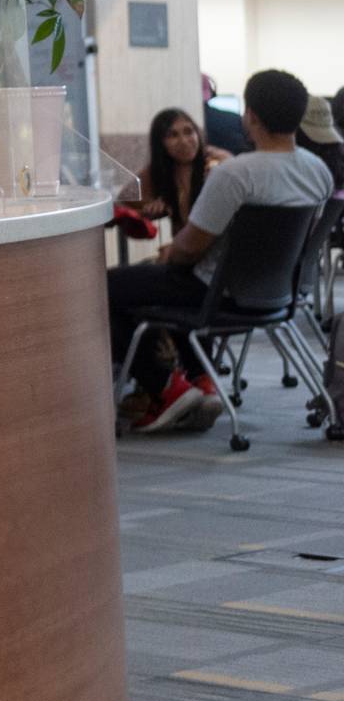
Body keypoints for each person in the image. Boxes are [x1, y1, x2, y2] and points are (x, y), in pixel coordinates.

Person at [108, 69, 331, 434]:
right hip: (276, 296)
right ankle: (196, 379)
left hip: (216, 294)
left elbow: (190, 248)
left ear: (252, 116)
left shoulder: (234, 174)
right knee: (155, 284)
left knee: (107, 287)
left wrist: (168, 254)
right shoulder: (317, 171)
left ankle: (166, 387)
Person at [137, 107, 222, 229]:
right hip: (184, 245)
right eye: (173, 135)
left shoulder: (214, 163)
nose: (183, 141)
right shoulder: (157, 171)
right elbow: (124, 202)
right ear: (160, 143)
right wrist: (150, 208)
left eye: (188, 131)